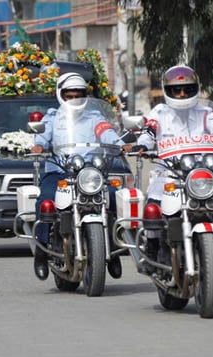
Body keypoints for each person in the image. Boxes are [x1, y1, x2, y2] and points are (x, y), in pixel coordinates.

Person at [133, 64, 213, 272]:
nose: (181, 93)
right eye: (176, 90)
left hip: (200, 176)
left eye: (187, 89)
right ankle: (154, 250)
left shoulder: (205, 113)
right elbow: (149, 131)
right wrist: (143, 144)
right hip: (169, 176)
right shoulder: (159, 112)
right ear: (167, 91)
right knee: (153, 207)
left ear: (195, 89)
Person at [30, 72, 130, 280]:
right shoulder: (52, 117)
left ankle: (110, 248)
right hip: (60, 172)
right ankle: (41, 251)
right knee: (47, 201)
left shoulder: (95, 117)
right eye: (70, 95)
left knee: (113, 197)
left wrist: (121, 146)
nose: (75, 99)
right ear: (61, 95)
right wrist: (39, 145)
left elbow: (107, 134)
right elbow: (42, 135)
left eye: (79, 94)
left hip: (90, 174)